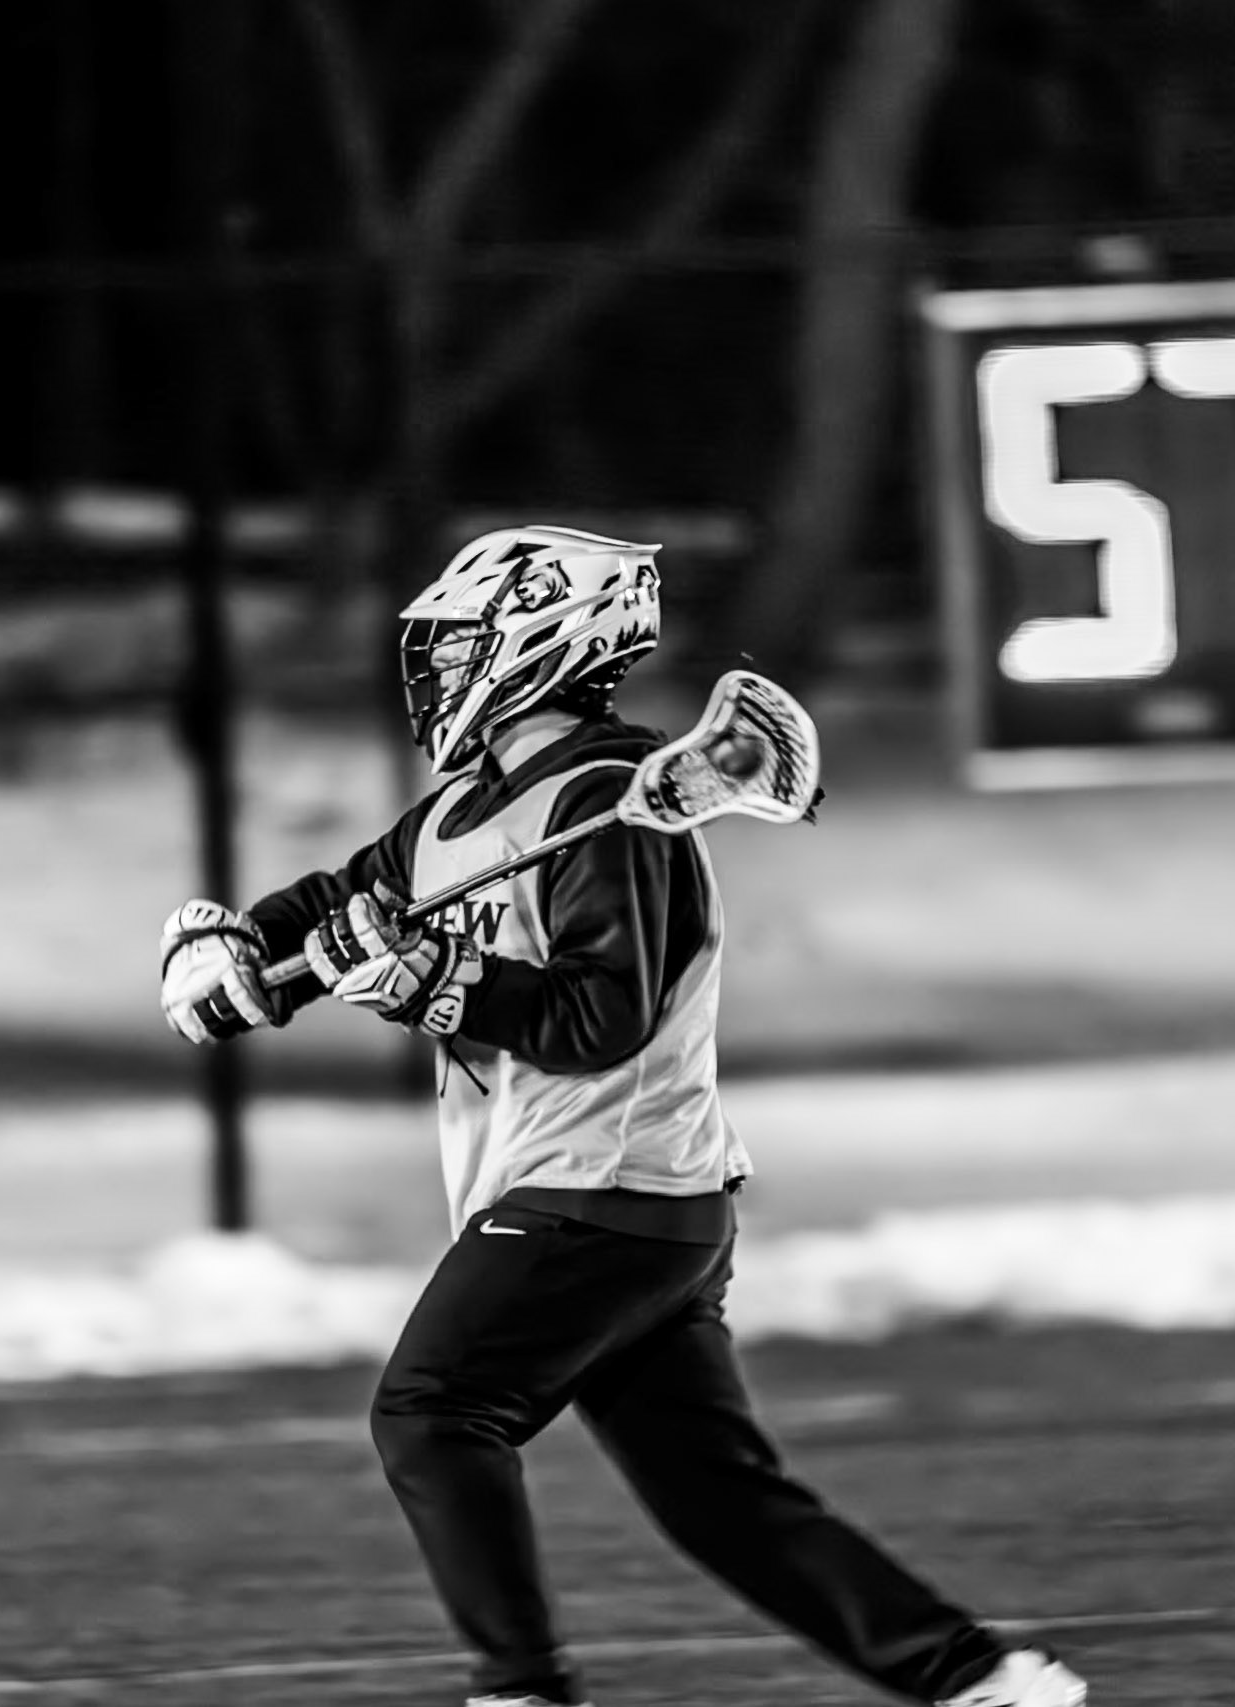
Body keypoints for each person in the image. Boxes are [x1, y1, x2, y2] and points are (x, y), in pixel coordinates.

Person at [159, 525, 1088, 1707]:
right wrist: (241, 952)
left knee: (433, 1414)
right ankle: (980, 1678)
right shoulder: (458, 816)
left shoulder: (613, 800)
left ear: (540, 640)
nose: (436, 667)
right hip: (622, 1208)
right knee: (718, 1496)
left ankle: (521, 1690)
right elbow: (343, 900)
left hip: (603, 1187)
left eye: (460, 641)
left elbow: (602, 1016)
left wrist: (438, 982)